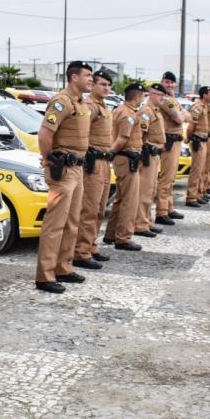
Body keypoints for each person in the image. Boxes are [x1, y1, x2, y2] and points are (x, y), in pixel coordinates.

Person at [35, 61, 93, 294]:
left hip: (77, 169)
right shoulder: (61, 102)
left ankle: (63, 267)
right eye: (87, 75)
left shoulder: (80, 103)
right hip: (63, 169)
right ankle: (45, 275)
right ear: (73, 78)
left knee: (72, 222)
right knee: (55, 223)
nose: (90, 79)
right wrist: (48, 158)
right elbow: (45, 133)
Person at [73, 69, 120, 269]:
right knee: (89, 209)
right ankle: (80, 252)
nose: (106, 88)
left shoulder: (104, 106)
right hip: (91, 163)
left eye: (109, 85)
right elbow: (81, 134)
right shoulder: (89, 106)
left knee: (100, 208)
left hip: (104, 162)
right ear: (92, 85)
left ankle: (91, 246)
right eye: (102, 84)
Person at [104, 82, 147, 251]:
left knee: (121, 198)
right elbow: (122, 139)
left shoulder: (124, 110)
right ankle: (123, 238)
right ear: (137, 96)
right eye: (142, 96)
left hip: (126, 159)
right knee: (130, 200)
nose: (142, 99)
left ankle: (111, 234)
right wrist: (110, 154)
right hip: (127, 159)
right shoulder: (127, 113)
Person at [134, 83, 167, 237]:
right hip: (147, 155)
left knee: (151, 189)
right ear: (152, 94)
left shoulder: (155, 111)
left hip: (155, 155)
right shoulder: (146, 111)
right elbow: (140, 134)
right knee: (145, 191)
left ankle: (146, 220)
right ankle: (140, 224)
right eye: (160, 95)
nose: (163, 98)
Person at [155, 72, 186, 226]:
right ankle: (161, 211)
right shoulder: (165, 99)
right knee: (166, 177)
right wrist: (182, 114)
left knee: (171, 177)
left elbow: (187, 115)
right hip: (168, 141)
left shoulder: (172, 98)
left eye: (171, 83)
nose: (169, 85)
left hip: (175, 141)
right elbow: (180, 118)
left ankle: (169, 207)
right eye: (166, 82)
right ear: (162, 82)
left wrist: (182, 113)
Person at [185, 86, 210, 207]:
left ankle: (198, 194)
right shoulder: (197, 108)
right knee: (196, 170)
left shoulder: (204, 107)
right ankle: (191, 197)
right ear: (204, 95)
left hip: (204, 141)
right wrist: (189, 138)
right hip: (198, 141)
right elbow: (191, 126)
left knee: (202, 169)